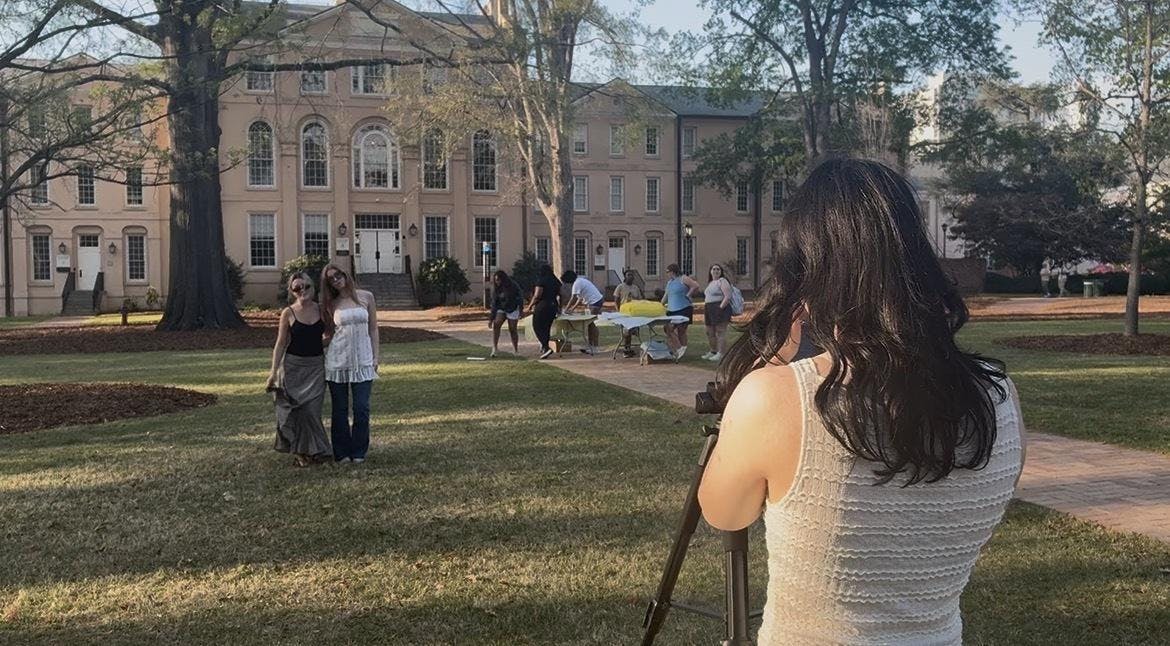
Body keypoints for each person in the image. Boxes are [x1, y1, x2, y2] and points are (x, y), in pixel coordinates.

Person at [697, 158, 1026, 645]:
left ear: (803, 272)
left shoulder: (775, 396)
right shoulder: (1000, 397)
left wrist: (773, 367)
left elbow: (726, 514)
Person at [266, 272, 331, 467]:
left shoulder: (321, 310)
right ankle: (302, 453)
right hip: (293, 367)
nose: (302, 290)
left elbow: (331, 334)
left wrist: (323, 345)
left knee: (312, 411)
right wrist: (273, 372)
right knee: (297, 411)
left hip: (315, 367)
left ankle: (317, 449)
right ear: (292, 292)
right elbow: (280, 343)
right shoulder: (288, 313)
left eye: (306, 286)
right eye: (297, 288)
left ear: (312, 287)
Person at [320, 263, 379, 464]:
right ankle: (342, 452)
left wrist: (375, 357)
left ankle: (359, 452)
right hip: (338, 361)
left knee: (362, 408)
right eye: (331, 279)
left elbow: (373, 329)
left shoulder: (366, 297)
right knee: (340, 410)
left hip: (363, 360)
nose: (336, 280)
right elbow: (328, 334)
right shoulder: (331, 304)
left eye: (338, 275)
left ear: (345, 274)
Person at [660, 263, 700, 359]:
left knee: (681, 330)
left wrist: (688, 295)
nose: (667, 274)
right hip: (671, 309)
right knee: (668, 328)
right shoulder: (670, 283)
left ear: (673, 271)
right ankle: (679, 348)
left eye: (668, 272)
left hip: (684, 308)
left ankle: (682, 350)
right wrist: (660, 304)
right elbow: (666, 295)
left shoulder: (683, 278)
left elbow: (695, 285)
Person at [560, 269, 604, 354]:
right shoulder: (581, 281)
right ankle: (591, 346)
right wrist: (571, 309)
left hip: (594, 302)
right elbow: (579, 299)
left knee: (591, 324)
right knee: (589, 324)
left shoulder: (577, 283)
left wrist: (565, 310)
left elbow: (572, 298)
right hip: (596, 300)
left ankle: (595, 347)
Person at [529, 264, 562, 359]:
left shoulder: (541, 280)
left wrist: (530, 305)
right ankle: (544, 347)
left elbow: (537, 295)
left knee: (537, 326)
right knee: (546, 327)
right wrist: (560, 307)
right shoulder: (556, 281)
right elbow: (561, 295)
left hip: (542, 306)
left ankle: (546, 347)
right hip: (553, 305)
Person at [702, 264, 733, 362]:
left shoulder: (722, 281)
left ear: (721, 271)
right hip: (709, 308)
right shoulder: (711, 283)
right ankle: (713, 351)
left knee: (720, 331)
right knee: (709, 331)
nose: (716, 271)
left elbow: (727, 296)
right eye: (713, 269)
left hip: (720, 308)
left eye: (718, 269)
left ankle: (721, 353)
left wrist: (720, 308)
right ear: (710, 271)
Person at [488, 270, 523, 357]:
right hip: (501, 307)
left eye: (499, 280)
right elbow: (494, 304)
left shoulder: (512, 286)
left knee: (512, 329)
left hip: (513, 307)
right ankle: (495, 348)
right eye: (496, 280)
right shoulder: (496, 289)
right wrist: (491, 319)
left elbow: (520, 297)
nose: (497, 282)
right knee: (497, 324)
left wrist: (521, 310)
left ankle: (516, 349)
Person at [613, 269, 644, 356]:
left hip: (634, 313)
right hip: (624, 313)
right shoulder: (620, 287)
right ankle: (626, 349)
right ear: (625, 277)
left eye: (632, 275)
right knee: (626, 331)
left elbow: (640, 300)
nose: (630, 277)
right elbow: (616, 300)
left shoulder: (636, 288)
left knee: (633, 331)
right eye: (628, 275)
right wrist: (618, 311)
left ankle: (629, 348)